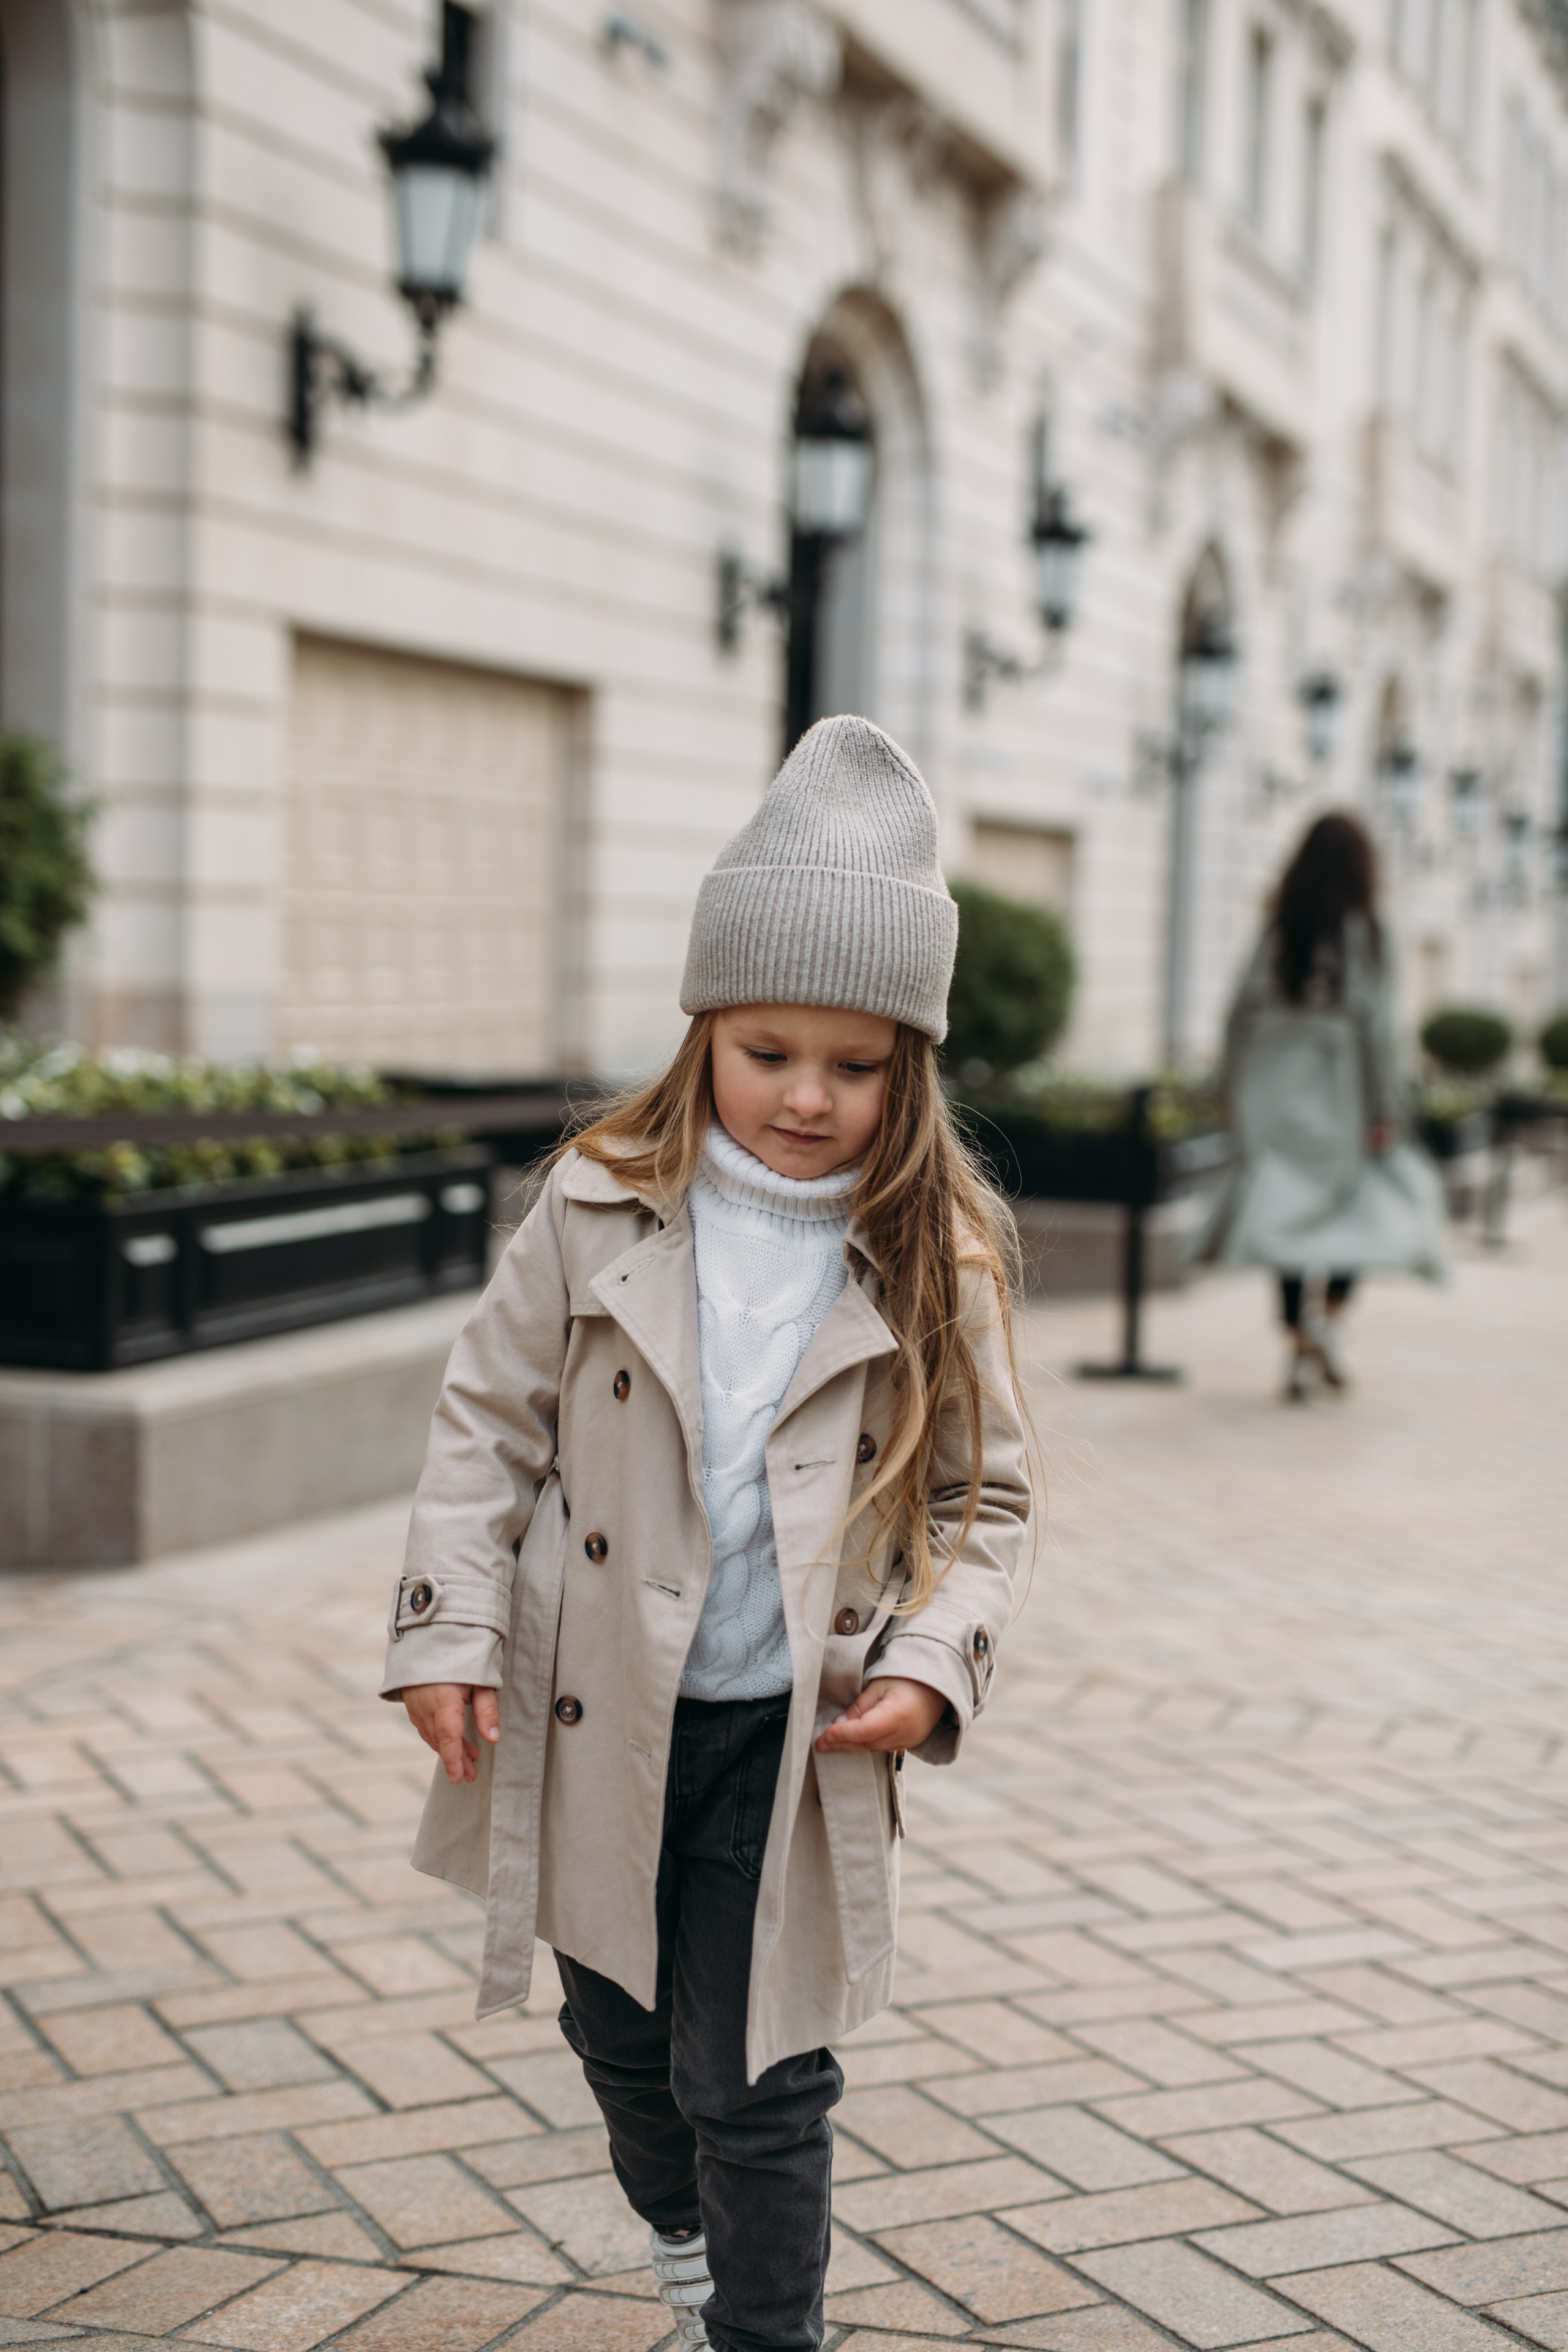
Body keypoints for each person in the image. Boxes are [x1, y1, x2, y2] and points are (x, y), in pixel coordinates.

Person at [380, 715, 1033, 2352]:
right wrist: (446, 1633)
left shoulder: (935, 1256)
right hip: (601, 1698)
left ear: (914, 1065)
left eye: (858, 1063)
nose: (809, 1097)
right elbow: (486, 1424)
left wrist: (936, 1664)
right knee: (617, 2027)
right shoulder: (595, 1200)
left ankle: (760, 2333)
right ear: (704, 1032)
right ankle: (680, 2242)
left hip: (789, 1723)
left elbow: (980, 1499)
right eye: (769, 1052)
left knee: (758, 2072)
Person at [1202, 810, 1446, 1401]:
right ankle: (1329, 1324)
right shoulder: (1368, 931)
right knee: (1351, 1214)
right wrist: (1385, 1107)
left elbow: (1237, 1014)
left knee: (1284, 1216)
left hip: (1274, 1093)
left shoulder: (1280, 927)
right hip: (1340, 1096)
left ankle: (1295, 1343)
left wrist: (1229, 1092)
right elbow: (1378, 1030)